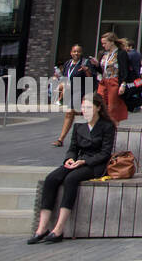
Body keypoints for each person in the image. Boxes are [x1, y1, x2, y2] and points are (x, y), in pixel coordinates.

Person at [30, 96, 115, 243]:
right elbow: (73, 148)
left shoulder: (107, 126)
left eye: (89, 107)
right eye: (83, 107)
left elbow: (105, 153)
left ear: (98, 108)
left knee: (71, 179)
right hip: (77, 161)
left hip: (94, 164)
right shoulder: (79, 125)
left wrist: (84, 161)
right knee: (51, 178)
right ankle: (42, 228)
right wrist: (70, 159)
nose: (85, 110)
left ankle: (58, 229)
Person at [52, 45, 99, 147]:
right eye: (74, 51)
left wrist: (86, 70)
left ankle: (66, 139)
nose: (76, 53)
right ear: (71, 52)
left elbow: (91, 78)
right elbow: (66, 76)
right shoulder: (68, 63)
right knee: (74, 114)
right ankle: (64, 139)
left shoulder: (85, 62)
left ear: (81, 53)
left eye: (78, 51)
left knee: (72, 113)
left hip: (82, 91)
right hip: (71, 91)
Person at [96, 32, 129, 124]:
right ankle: (102, 123)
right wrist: (96, 65)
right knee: (99, 102)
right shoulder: (104, 54)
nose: (103, 45)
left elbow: (124, 69)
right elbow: (102, 69)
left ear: (112, 42)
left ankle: (112, 125)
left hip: (114, 80)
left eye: (105, 43)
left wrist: (123, 84)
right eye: (102, 43)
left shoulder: (121, 53)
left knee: (112, 106)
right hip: (103, 81)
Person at [120, 38, 142, 112]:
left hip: (132, 75)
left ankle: (134, 105)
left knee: (132, 90)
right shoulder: (138, 54)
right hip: (138, 74)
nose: (126, 48)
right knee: (138, 90)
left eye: (126, 46)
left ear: (130, 46)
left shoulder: (129, 54)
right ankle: (138, 105)